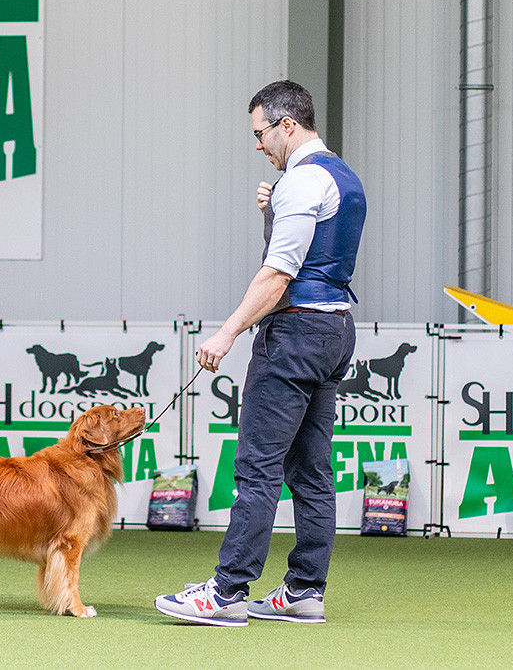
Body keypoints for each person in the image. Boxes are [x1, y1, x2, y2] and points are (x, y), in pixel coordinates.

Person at [155, 80, 365, 626]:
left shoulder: (300, 183)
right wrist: (275, 213)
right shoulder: (344, 178)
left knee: (258, 469)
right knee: (312, 471)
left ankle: (226, 594)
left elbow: (278, 274)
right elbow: (319, 252)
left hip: (293, 336)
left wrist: (226, 334)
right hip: (335, 329)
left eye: (260, 132)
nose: (257, 144)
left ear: (287, 125)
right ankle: (304, 591)